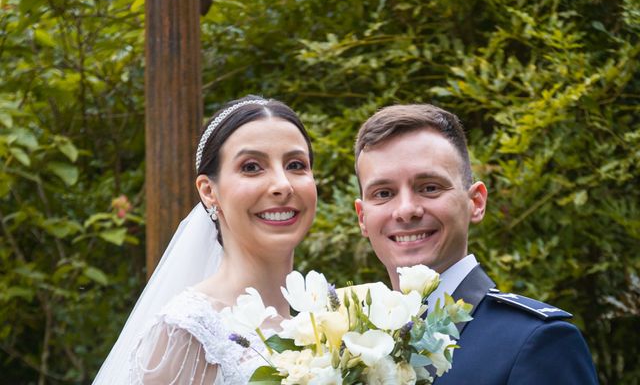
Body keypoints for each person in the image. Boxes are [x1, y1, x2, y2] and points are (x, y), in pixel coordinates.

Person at [353, 103, 598, 384]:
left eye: (429, 187)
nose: (406, 209)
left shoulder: (536, 342)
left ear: (476, 202)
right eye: (383, 193)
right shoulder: (347, 347)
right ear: (362, 217)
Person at [93, 95, 317, 384]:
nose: (283, 185)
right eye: (251, 167)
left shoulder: (332, 325)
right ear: (208, 191)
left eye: (296, 165)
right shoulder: (190, 333)